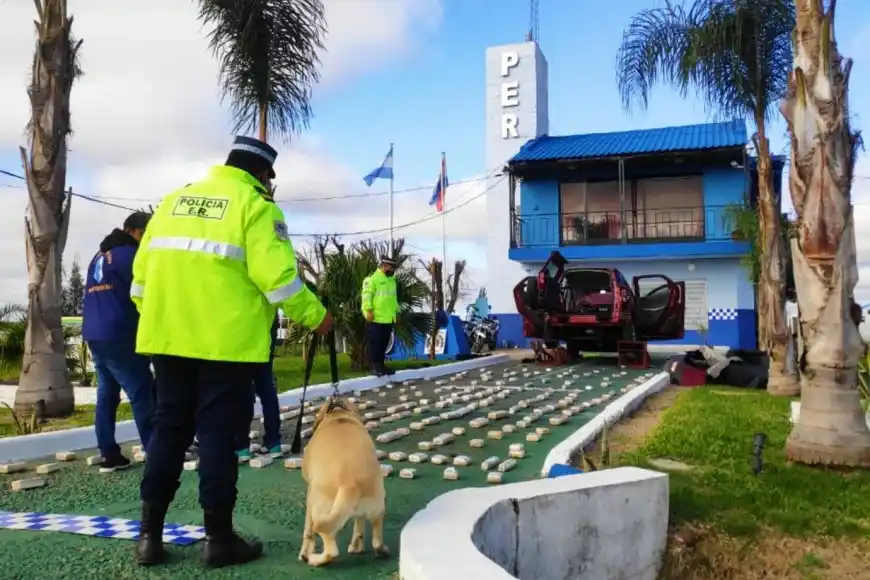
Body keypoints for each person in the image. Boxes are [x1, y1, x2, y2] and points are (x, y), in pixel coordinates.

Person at [131, 135, 332, 569]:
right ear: (264, 174)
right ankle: (219, 538)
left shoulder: (172, 203)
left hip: (167, 343)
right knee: (219, 438)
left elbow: (140, 284)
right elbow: (279, 281)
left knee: (169, 430)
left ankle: (148, 537)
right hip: (226, 347)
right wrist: (319, 318)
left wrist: (168, 322)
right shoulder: (255, 205)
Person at [82, 211, 155, 473]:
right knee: (142, 390)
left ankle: (109, 453)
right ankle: (155, 449)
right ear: (133, 231)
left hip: (94, 332)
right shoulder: (130, 256)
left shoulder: (99, 257)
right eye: (145, 234)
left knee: (107, 394)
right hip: (120, 332)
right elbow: (147, 293)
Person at [236, 313, 283, 462]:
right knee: (266, 386)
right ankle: (273, 442)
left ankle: (242, 446)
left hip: (243, 327)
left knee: (243, 387)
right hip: (266, 327)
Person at [361, 257, 399, 376]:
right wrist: (368, 310)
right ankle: (374, 367)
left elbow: (393, 299)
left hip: (388, 318)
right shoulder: (372, 279)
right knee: (375, 344)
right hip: (376, 318)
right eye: (391, 267)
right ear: (384, 266)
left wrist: (397, 313)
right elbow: (366, 296)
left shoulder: (392, 281)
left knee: (383, 344)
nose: (393, 270)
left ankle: (381, 366)